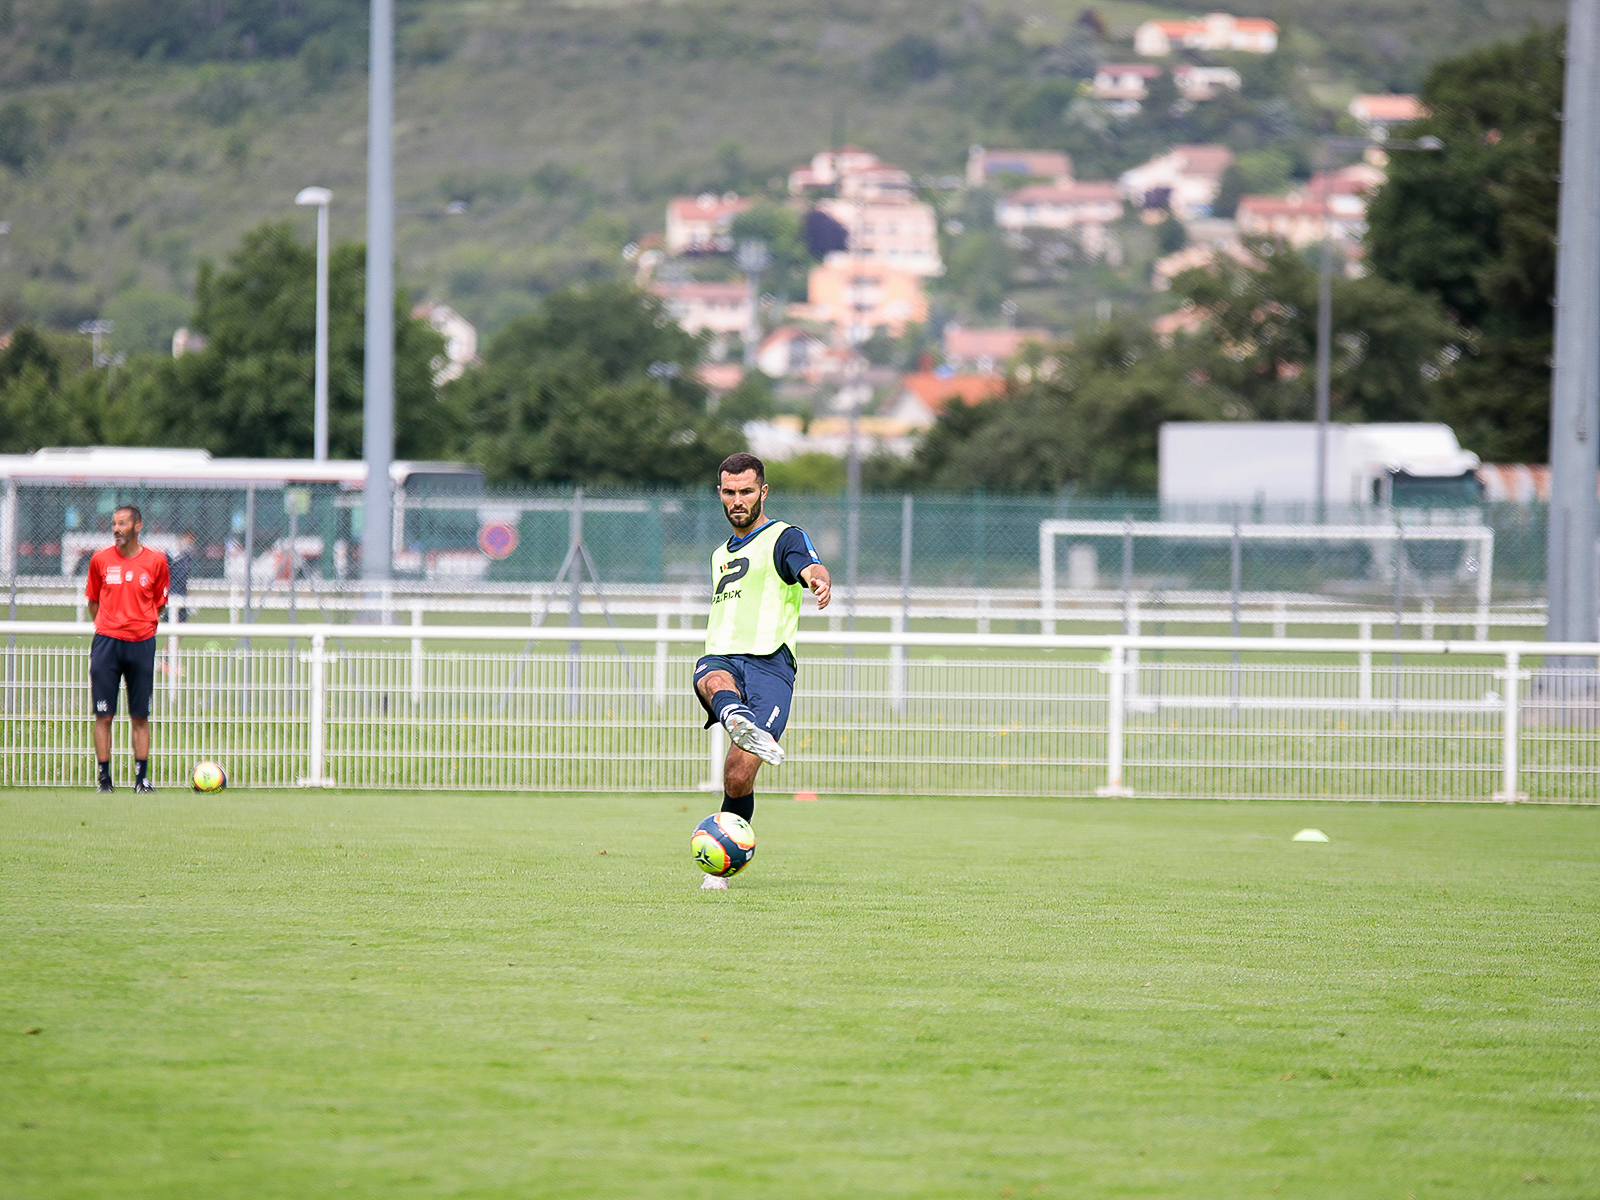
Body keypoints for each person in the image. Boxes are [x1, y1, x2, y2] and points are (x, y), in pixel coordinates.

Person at [692, 453, 831, 889]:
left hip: (770, 663)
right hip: (724, 655)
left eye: (746, 491)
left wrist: (816, 578)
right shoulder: (719, 554)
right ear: (720, 494)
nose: (738, 500)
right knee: (708, 675)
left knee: (737, 774)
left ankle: (725, 861)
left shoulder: (783, 537)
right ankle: (736, 716)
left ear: (762, 492)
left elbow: (807, 564)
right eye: (730, 492)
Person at [85, 505, 170, 793]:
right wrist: (110, 625)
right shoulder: (100, 559)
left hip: (142, 644)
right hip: (107, 644)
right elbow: (93, 600)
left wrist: (137, 624)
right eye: (113, 524)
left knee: (140, 716)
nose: (116, 529)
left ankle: (141, 780)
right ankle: (104, 780)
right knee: (104, 715)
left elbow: (159, 603)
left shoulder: (156, 561)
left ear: (138, 526)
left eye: (122, 524)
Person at [169, 529, 196, 622]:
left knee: (181, 620)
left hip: (181, 592)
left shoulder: (186, 557)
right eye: (189, 540)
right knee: (171, 619)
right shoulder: (170, 556)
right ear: (182, 538)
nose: (190, 543)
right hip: (171, 591)